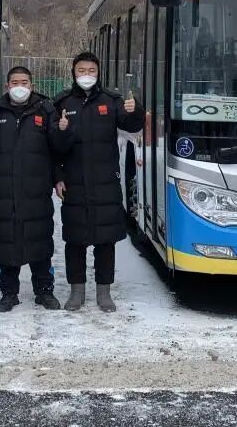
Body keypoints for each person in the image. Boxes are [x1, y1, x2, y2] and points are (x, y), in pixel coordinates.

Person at [0, 66, 72, 313]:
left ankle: (44, 291)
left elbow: (56, 150)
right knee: (5, 241)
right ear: (7, 86)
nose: (20, 87)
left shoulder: (46, 109)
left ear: (32, 85)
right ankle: (9, 293)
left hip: (36, 189)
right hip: (2, 190)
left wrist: (62, 133)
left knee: (39, 240)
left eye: (24, 82)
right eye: (15, 82)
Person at [53, 52, 143, 312]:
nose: (86, 75)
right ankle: (76, 292)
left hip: (106, 182)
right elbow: (53, 146)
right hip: (74, 183)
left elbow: (132, 126)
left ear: (98, 72)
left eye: (91, 70)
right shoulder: (62, 102)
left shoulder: (112, 101)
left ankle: (104, 293)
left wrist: (135, 110)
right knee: (75, 240)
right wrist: (58, 177)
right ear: (73, 73)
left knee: (106, 241)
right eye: (81, 70)